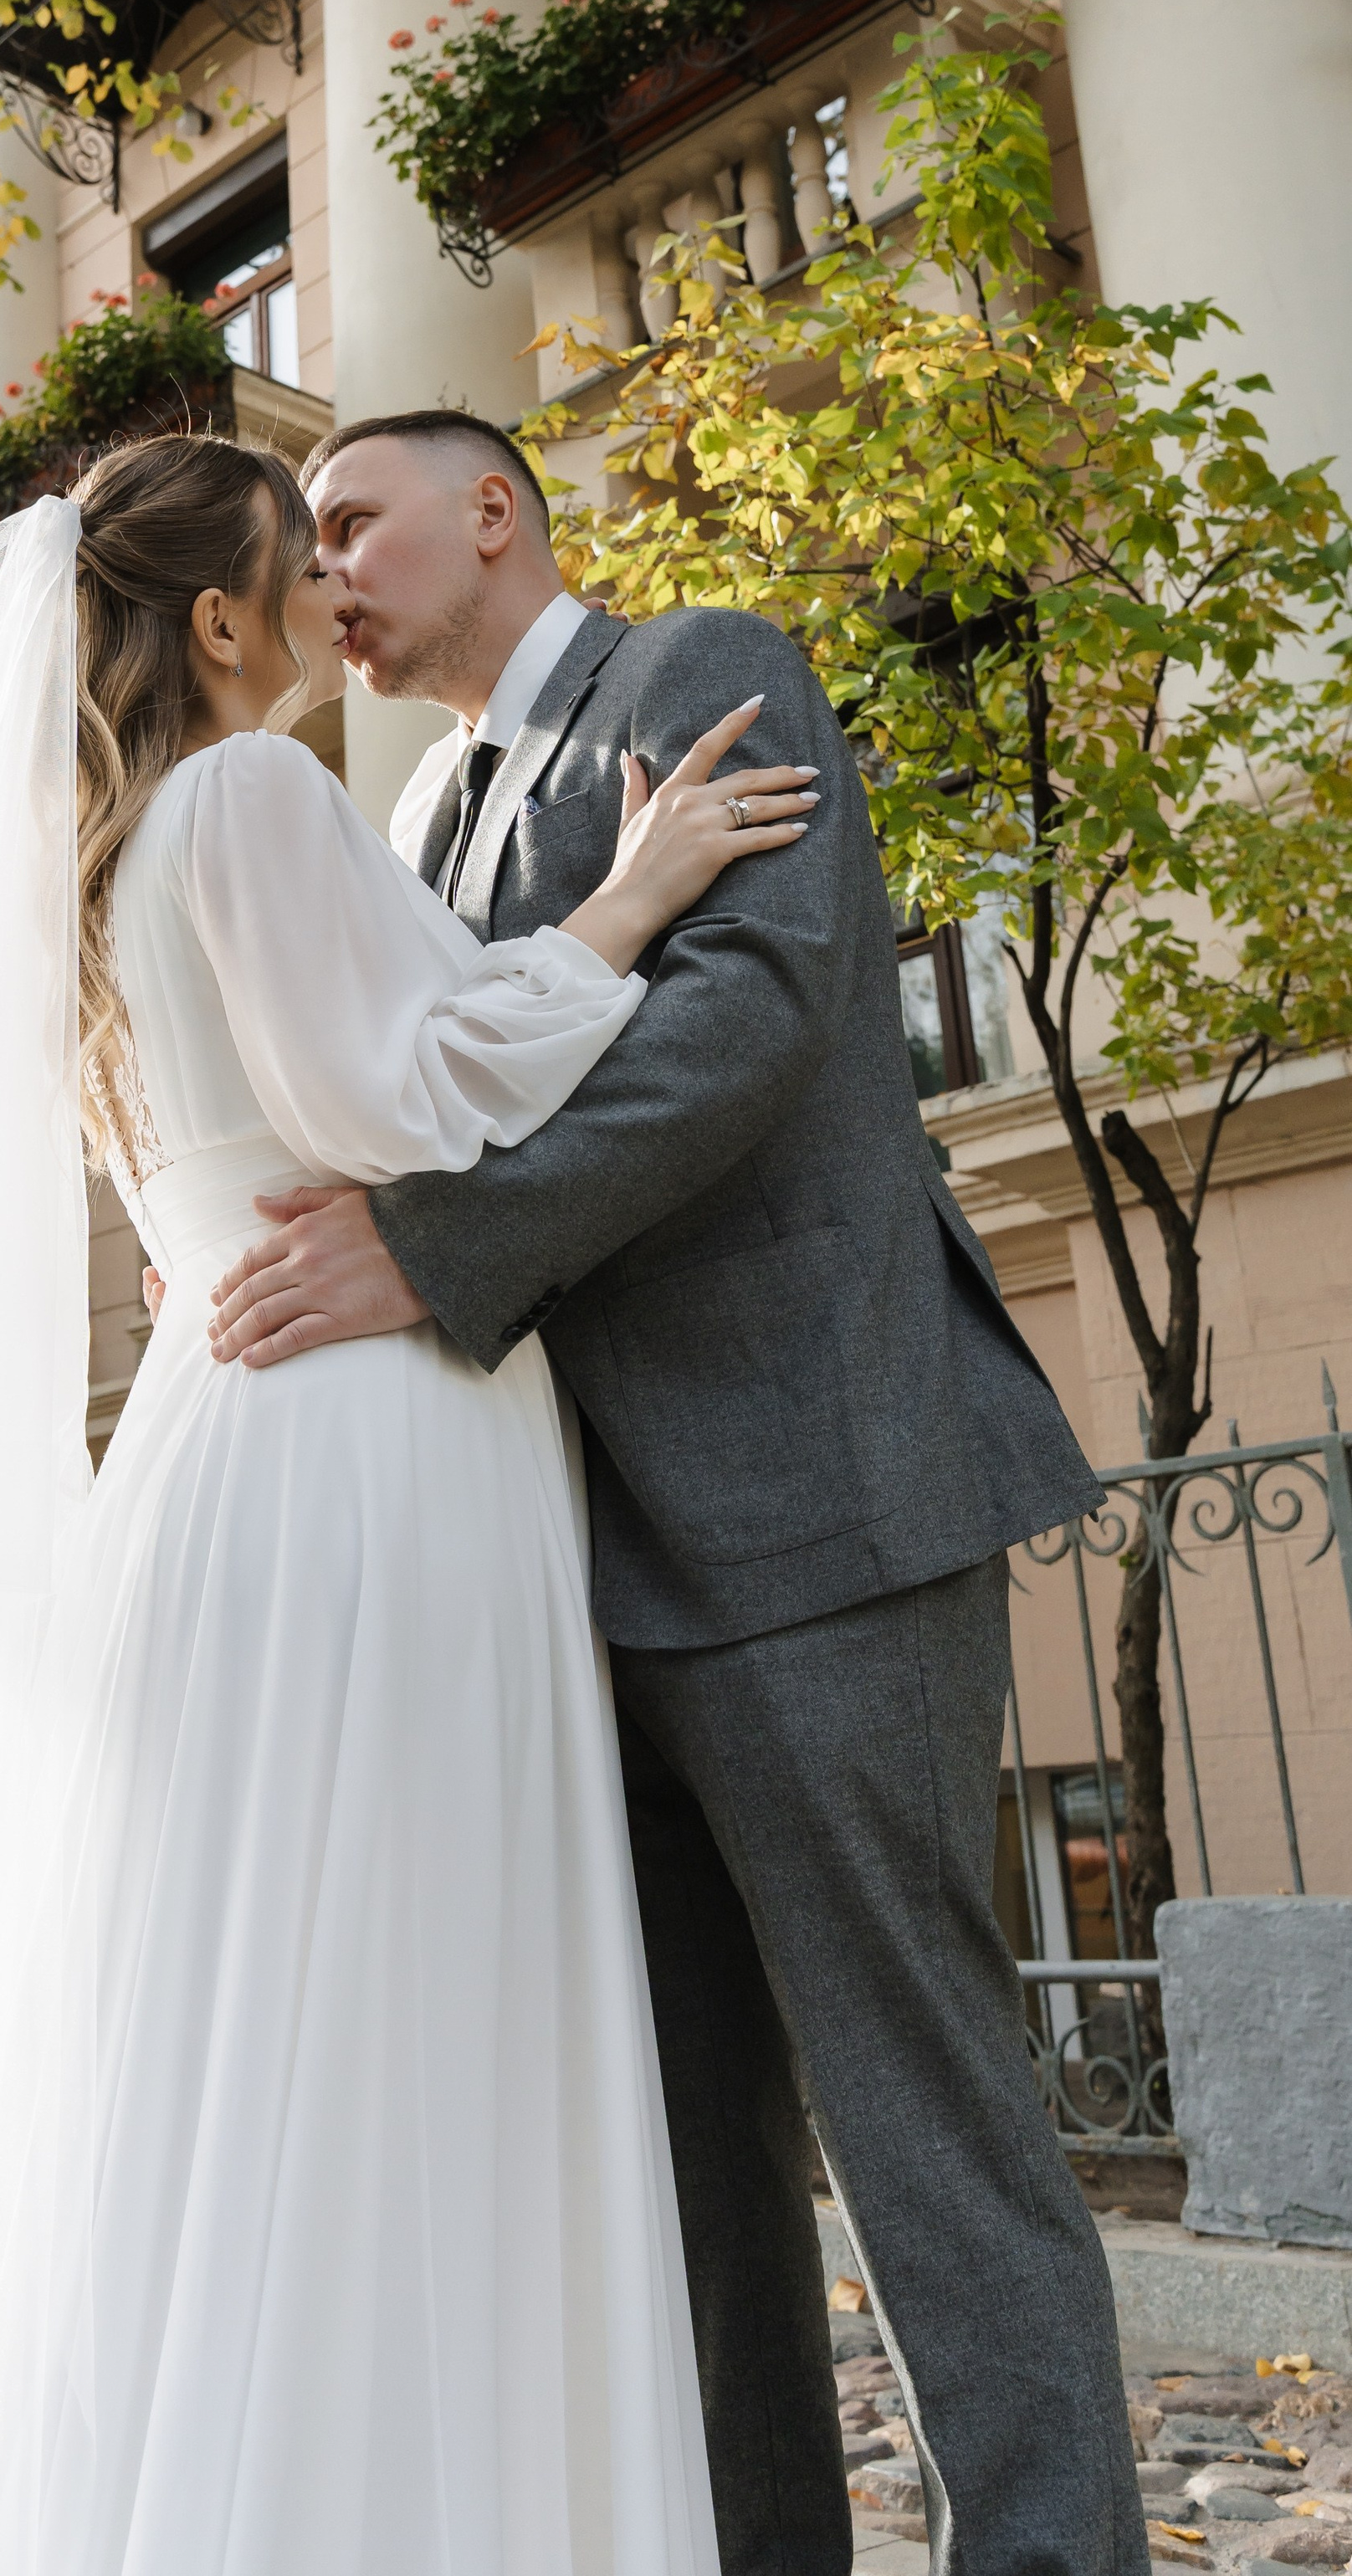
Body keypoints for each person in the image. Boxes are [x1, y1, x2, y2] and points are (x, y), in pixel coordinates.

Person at [0, 430, 817, 2576]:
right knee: (404, 2005)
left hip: (211, 1443)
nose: (333, 601)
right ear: (216, 620)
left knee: (245, 2029)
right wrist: (633, 896)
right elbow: (424, 1090)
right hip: (365, 1440)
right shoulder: (255, 793)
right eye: (307, 555)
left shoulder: (93, 868)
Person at [207, 411, 1147, 2576]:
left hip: (816, 1510)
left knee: (928, 2127)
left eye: (356, 518)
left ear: (497, 513)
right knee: (688, 2176)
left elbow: (751, 1020)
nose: (325, 563)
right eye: (310, 536)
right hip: (560, 1575)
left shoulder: (697, 669)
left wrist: (428, 1253)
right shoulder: (425, 810)